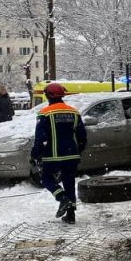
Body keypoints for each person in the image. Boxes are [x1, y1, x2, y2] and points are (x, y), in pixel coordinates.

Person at [31, 82, 87, 224]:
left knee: (46, 179)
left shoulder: (45, 113)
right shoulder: (74, 112)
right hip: (71, 154)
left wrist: (35, 154)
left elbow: (40, 138)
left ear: (48, 96)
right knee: (69, 182)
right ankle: (71, 215)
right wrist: (78, 151)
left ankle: (62, 198)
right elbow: (82, 136)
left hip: (52, 155)